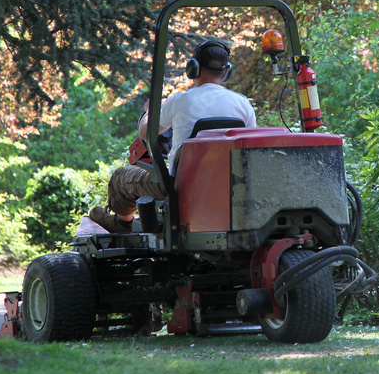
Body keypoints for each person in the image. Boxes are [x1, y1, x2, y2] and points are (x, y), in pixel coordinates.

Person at [88, 39, 256, 233]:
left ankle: (122, 222)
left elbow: (145, 132)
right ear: (226, 71)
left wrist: (150, 111)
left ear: (193, 68)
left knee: (121, 177)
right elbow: (250, 145)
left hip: (182, 185)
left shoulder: (179, 101)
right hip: (230, 185)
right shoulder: (243, 103)